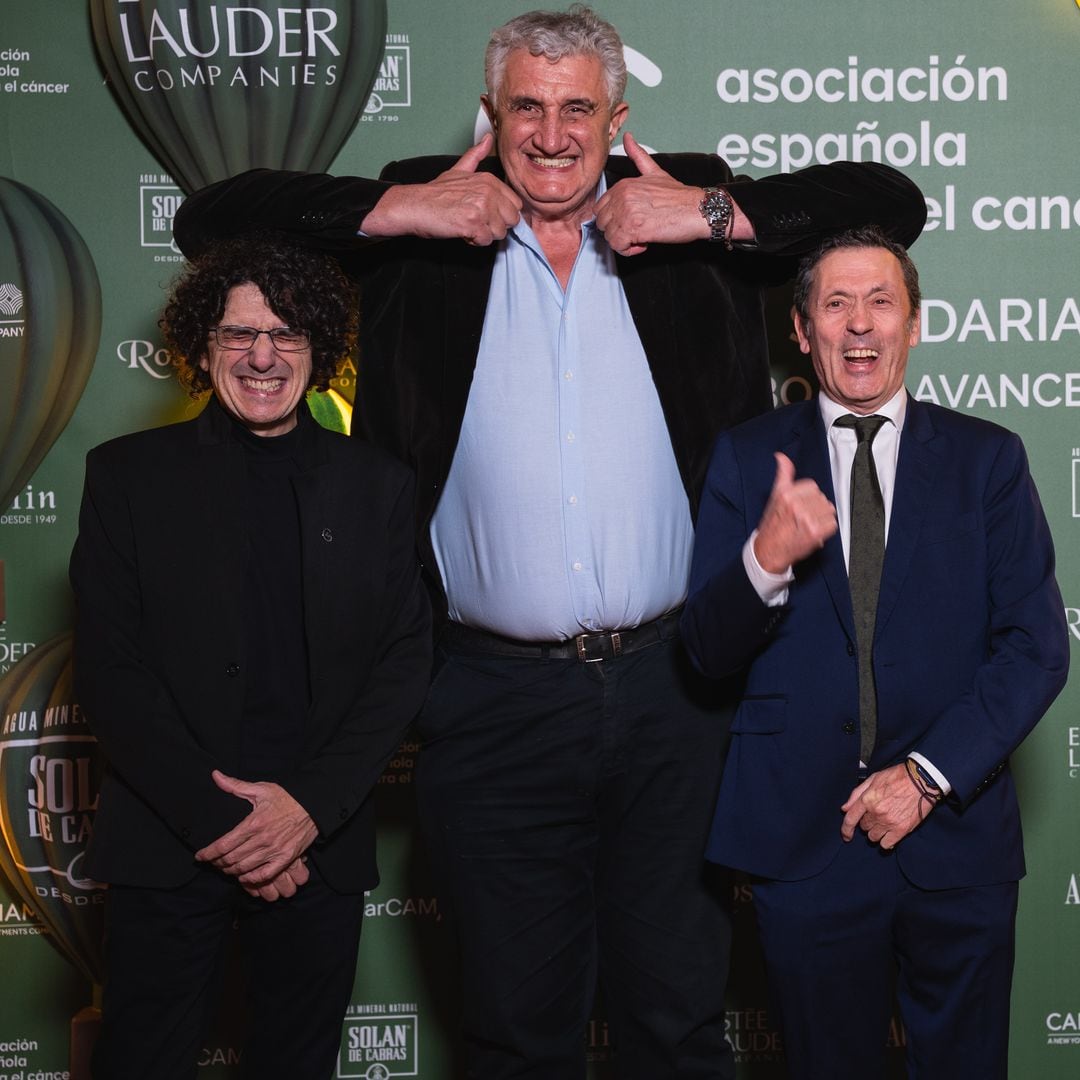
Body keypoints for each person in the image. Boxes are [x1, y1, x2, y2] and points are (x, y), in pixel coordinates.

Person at [173, 7, 926, 1076]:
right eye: (528, 105)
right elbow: (213, 219)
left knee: (677, 1020)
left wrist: (711, 212)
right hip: (490, 699)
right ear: (493, 113)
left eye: (579, 108)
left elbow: (895, 204)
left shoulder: (683, 210)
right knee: (517, 1032)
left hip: (680, 689)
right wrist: (403, 207)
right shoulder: (427, 224)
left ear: (618, 119)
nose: (553, 134)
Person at [681, 225, 1069, 1079]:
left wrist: (927, 776)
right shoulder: (749, 459)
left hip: (956, 841)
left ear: (915, 323)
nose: (860, 324)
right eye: (837, 304)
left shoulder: (987, 461)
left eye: (881, 302)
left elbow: (1036, 647)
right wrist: (765, 561)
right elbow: (703, 653)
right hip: (806, 842)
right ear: (801, 329)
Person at [69, 233, 431, 1080]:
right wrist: (229, 824)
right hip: (170, 838)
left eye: (287, 334)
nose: (262, 356)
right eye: (239, 334)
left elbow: (403, 663)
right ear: (205, 347)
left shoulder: (377, 485)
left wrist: (304, 810)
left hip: (318, 844)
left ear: (319, 351)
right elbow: (110, 671)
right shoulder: (126, 477)